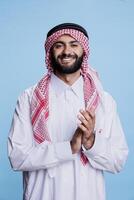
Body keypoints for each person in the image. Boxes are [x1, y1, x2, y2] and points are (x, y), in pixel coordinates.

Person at [8, 23, 128, 200]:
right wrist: (68, 148)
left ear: (84, 51)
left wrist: (91, 142)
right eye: (59, 45)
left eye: (74, 44)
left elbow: (117, 161)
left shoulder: (103, 101)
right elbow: (17, 157)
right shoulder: (29, 99)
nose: (66, 51)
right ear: (50, 52)